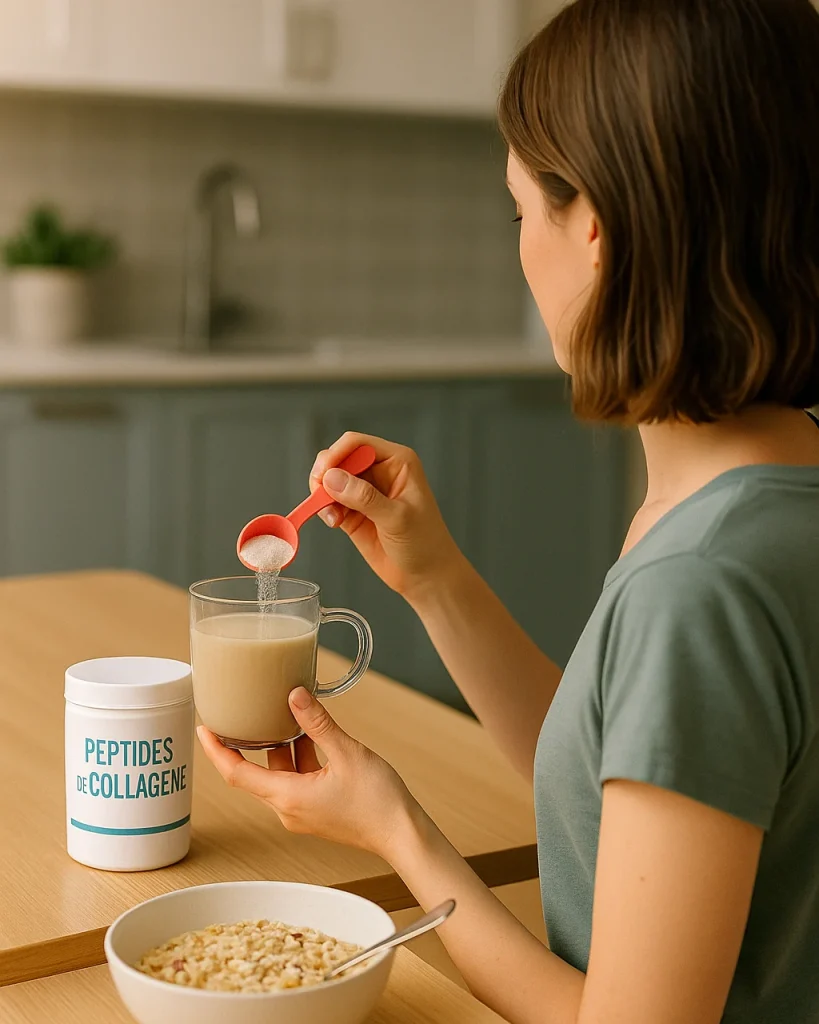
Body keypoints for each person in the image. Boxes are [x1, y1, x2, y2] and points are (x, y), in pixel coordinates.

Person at [199, 0, 819, 1020]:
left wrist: (397, 831)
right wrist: (435, 577)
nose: (519, 250)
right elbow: (625, 785)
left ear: (599, 237)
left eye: (518, 211)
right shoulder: (758, 497)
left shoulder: (700, 585)